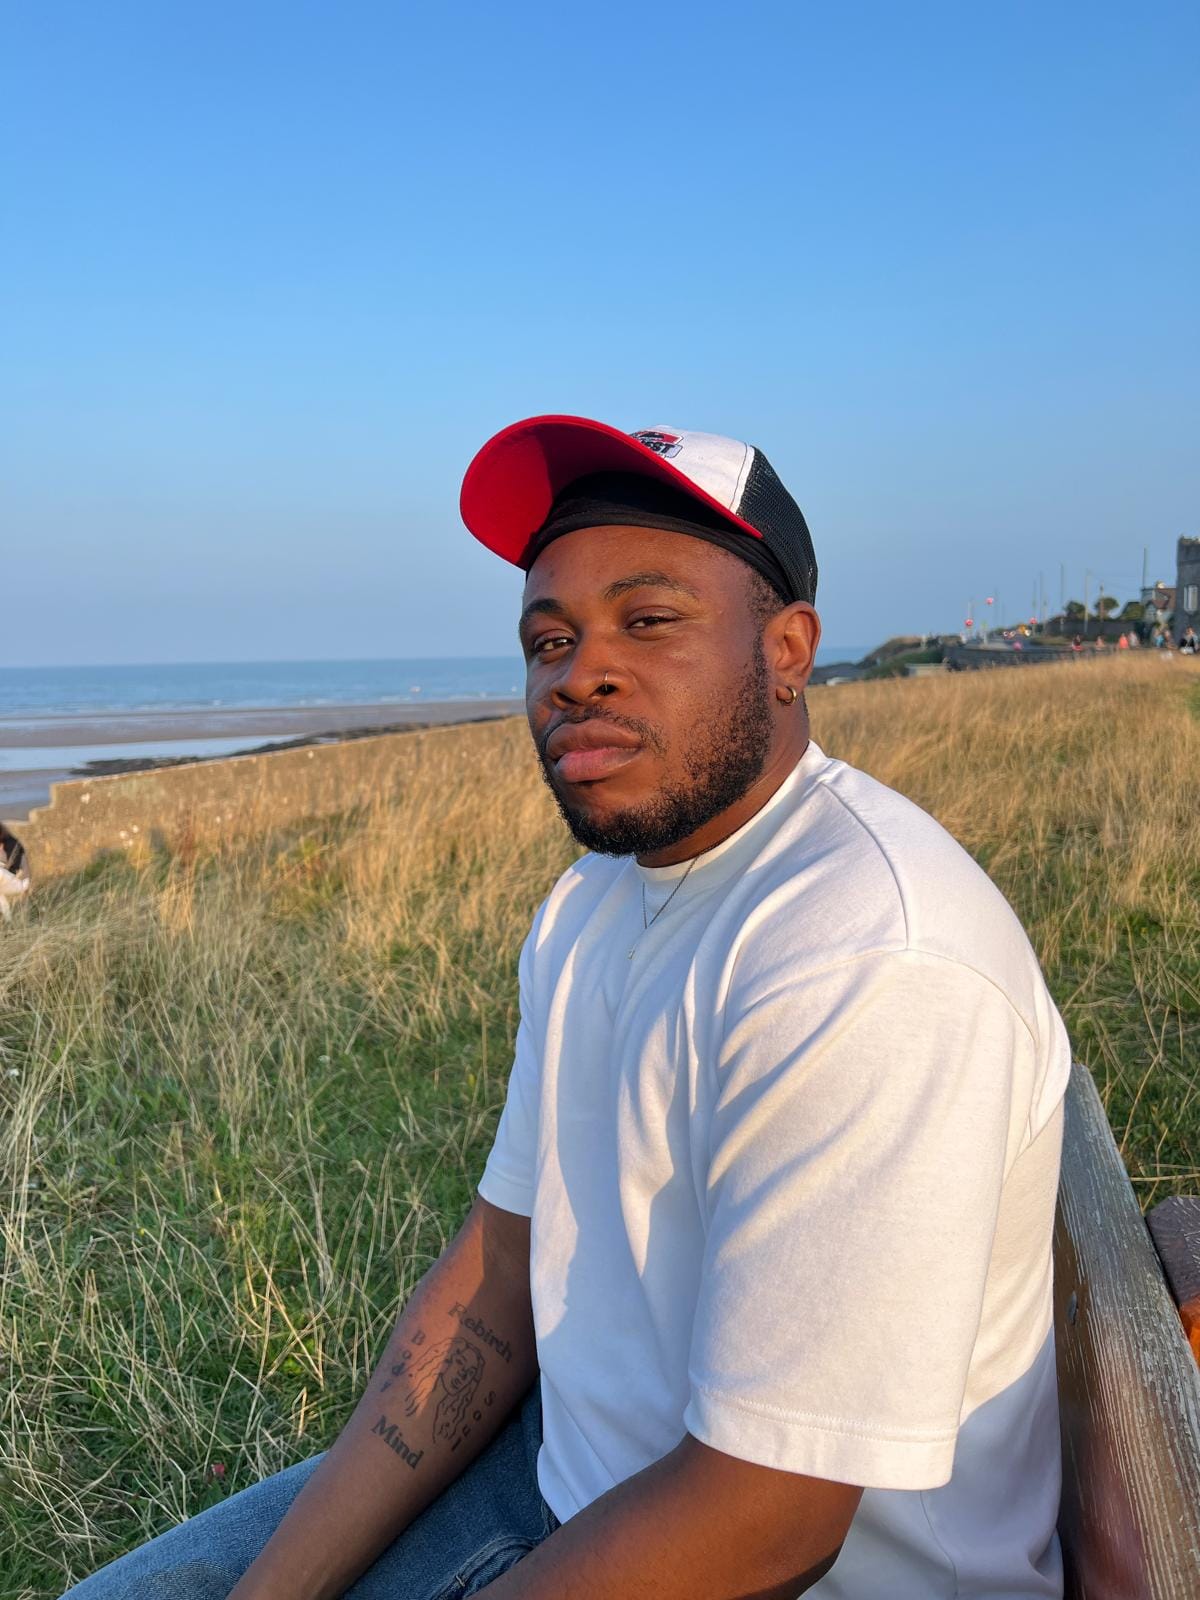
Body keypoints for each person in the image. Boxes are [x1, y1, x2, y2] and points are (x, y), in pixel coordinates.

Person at [66, 417, 1070, 1600]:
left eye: (649, 621)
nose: (579, 671)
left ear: (788, 649)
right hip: (560, 1482)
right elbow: (499, 1276)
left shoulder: (865, 956)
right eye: (550, 637)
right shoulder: (591, 905)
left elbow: (770, 1517)